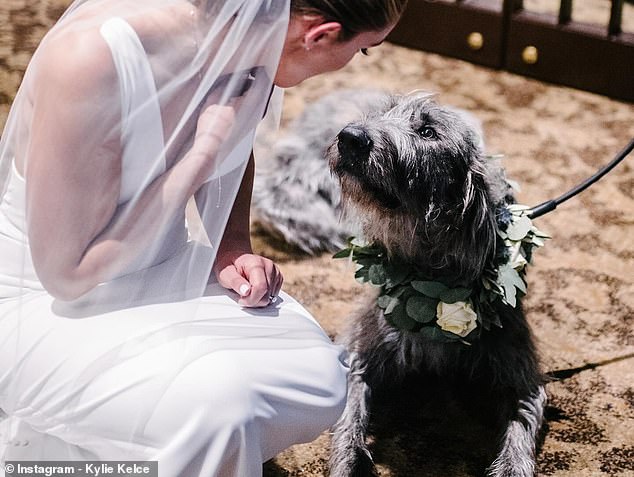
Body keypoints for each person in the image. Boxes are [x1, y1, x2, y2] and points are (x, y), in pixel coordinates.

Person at [0, 0, 407, 474]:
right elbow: (67, 275)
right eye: (362, 50)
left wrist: (230, 246)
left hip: (162, 264)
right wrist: (200, 153)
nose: (354, 62)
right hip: (45, 299)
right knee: (222, 410)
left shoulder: (248, 43)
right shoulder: (90, 59)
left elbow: (236, 149)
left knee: (318, 380)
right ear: (318, 35)